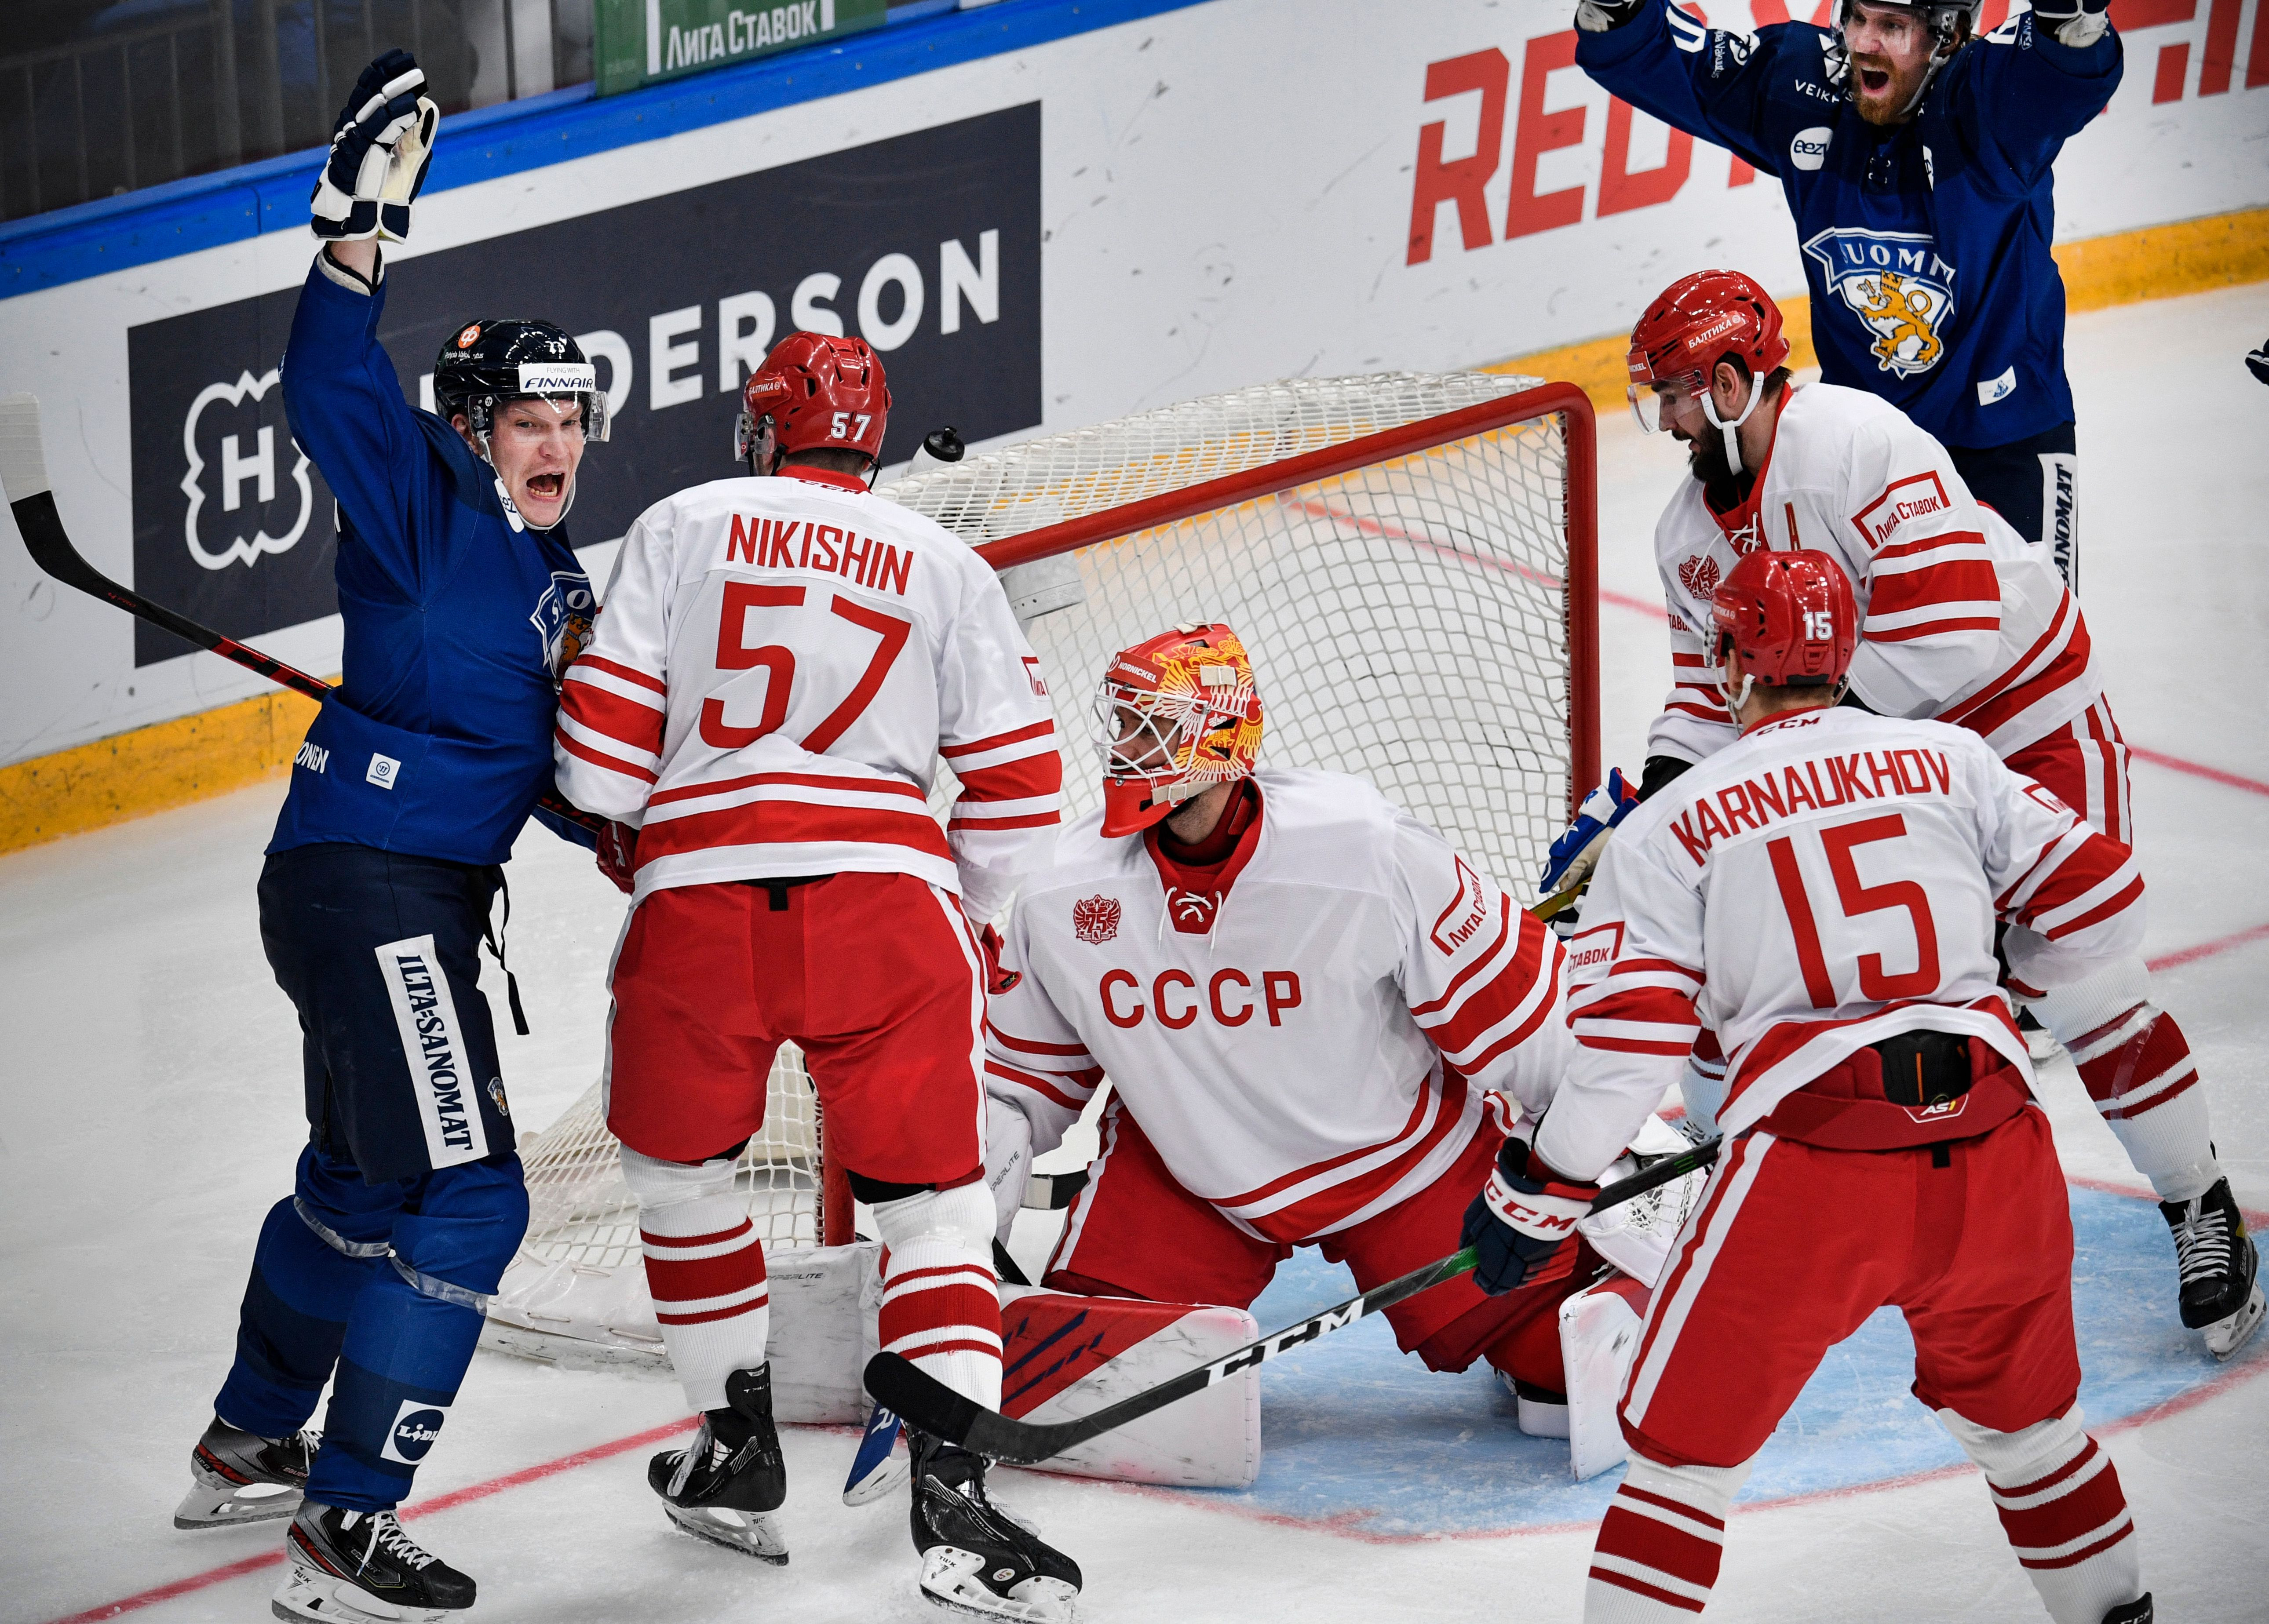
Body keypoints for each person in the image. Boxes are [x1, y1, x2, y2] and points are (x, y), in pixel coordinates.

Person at [1556, 268, 2259, 1358]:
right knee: (1770, 966)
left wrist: (1800, 753)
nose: (1673, 420)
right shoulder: (1686, 530)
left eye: (1685, 393)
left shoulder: (1853, 440)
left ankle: (2198, 1202)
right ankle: (1735, 1209)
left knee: (2079, 974)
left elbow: (1956, 631)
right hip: (1877, 754)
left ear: (1738, 381)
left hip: (2025, 725)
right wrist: (1654, 798)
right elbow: (1711, 691)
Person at [1473, 549, 2155, 1624]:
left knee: (1682, 1466)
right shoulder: (1953, 759)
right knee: (2032, 1435)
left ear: (1736, 658)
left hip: (1813, 1171)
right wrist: (1987, 978)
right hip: (1998, 1147)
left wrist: (1541, 1187)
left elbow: (1631, 1048)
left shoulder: (1672, 818)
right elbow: (2102, 897)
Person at [177, 49, 611, 1624]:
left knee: (364, 1186)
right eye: (530, 415)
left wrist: (631, 829)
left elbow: (572, 781)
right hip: (375, 894)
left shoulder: (563, 591)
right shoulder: (421, 495)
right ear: (474, 422)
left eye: (575, 416)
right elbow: (326, 378)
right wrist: (359, 229)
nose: (557, 440)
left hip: (374, 888)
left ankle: (247, 1437)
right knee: (476, 1196)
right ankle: (350, 1522)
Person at [551, 331, 1075, 1620]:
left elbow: (600, 776)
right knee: (938, 1210)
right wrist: (971, 920)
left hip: (699, 914)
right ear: (874, 440)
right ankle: (955, 1498)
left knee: (680, 1177)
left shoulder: (683, 521)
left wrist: (637, 815)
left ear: (760, 429)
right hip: (887, 911)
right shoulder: (943, 558)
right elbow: (1021, 796)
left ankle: (735, 1447)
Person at [981, 621, 1656, 1448]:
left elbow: (1527, 1018)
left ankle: (1645, 1283)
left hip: (1398, 1161)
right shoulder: (1062, 892)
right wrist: (964, 1231)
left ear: (1221, 737)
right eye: (1122, 723)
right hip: (1191, 1176)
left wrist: (1580, 1165)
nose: (1128, 747)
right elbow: (1019, 1086)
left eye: (1153, 723)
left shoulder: (1364, 848)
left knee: (1565, 1377)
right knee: (1086, 1384)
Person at [1573, 0, 2120, 589]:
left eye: (1892, 26)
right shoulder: (1805, 90)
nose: (1863, 43)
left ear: (1950, 35)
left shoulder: (1987, 104)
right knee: (1842, 666)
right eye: (1857, 17)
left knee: (2037, 658)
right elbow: (1679, 62)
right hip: (1865, 451)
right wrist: (1620, 10)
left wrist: (2070, 21)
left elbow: (2059, 64)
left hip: (2005, 441)